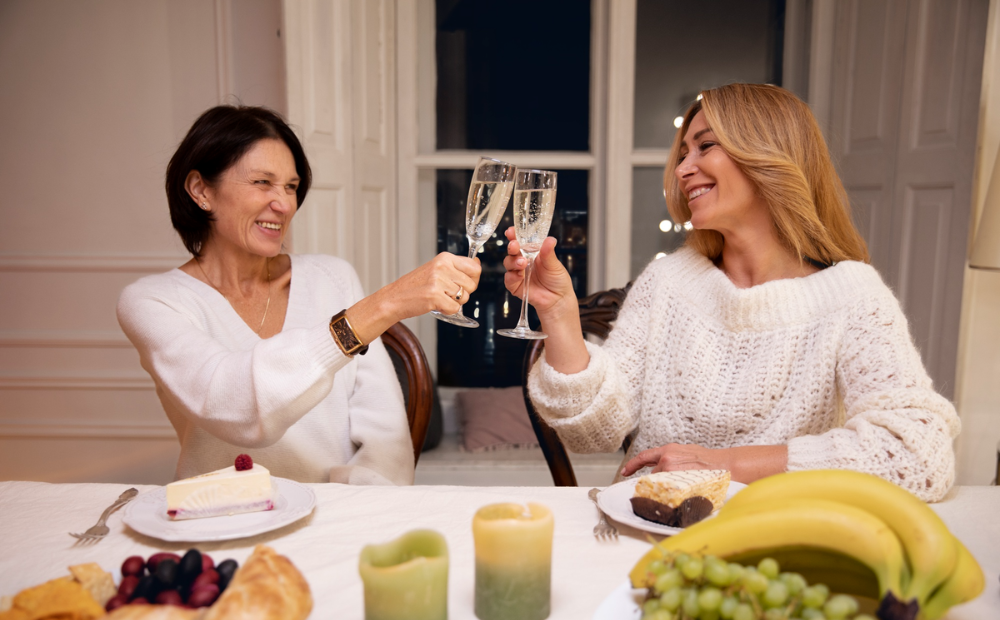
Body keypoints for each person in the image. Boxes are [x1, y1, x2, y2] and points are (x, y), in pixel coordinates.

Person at [503, 84, 958, 501]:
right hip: (647, 529)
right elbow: (594, 432)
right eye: (683, 153)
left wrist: (725, 465)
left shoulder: (852, 295)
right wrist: (558, 313)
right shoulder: (669, 282)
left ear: (767, 154)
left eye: (705, 146)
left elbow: (918, 455)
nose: (683, 169)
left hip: (779, 541)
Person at [118, 105, 479, 484]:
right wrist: (384, 305)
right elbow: (234, 404)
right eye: (262, 183)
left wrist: (354, 515)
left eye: (291, 187)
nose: (285, 204)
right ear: (200, 190)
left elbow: (385, 440)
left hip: (334, 522)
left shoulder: (332, 278)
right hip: (221, 526)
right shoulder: (154, 302)